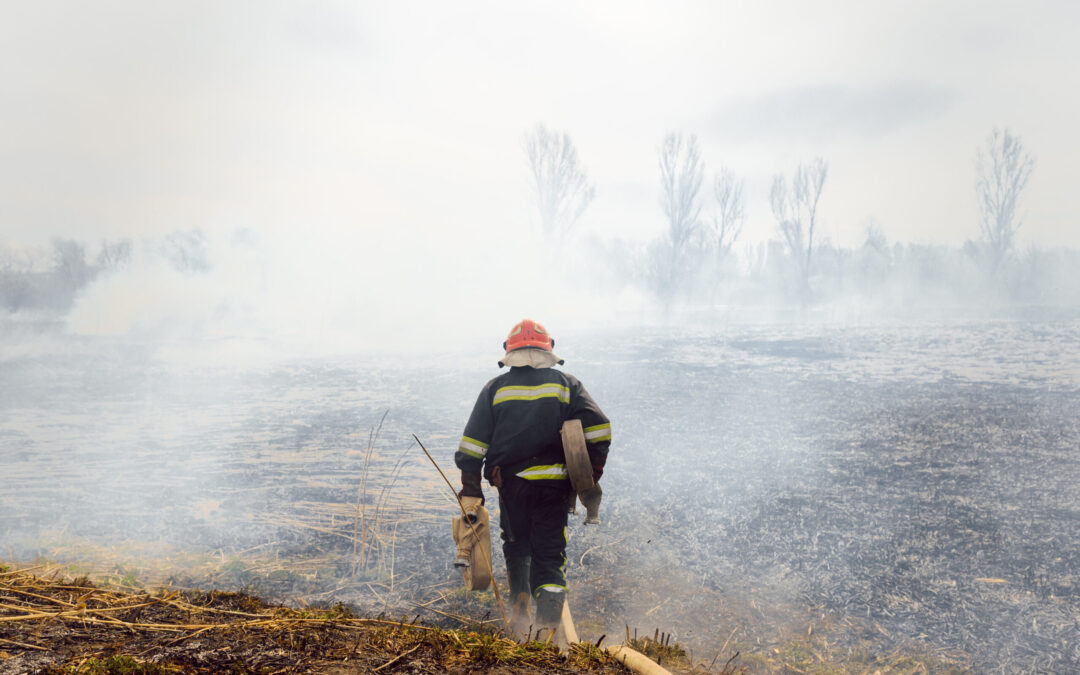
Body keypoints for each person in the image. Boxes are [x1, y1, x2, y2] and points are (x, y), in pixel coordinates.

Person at [455, 318, 611, 637]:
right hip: (554, 487)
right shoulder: (566, 385)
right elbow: (599, 429)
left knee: (517, 543)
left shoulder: (495, 389)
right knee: (550, 555)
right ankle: (548, 631)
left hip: (513, 485)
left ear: (509, 352)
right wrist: (587, 475)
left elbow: (471, 446)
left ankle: (520, 608)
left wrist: (472, 491)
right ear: (548, 350)